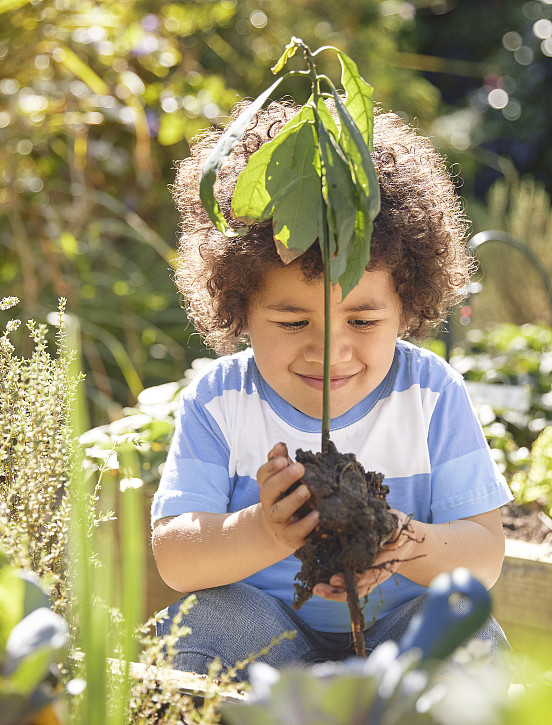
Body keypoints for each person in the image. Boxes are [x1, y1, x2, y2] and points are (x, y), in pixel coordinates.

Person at [150, 99, 513, 678]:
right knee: (207, 623)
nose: (330, 350)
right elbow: (176, 557)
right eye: (293, 323)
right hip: (268, 639)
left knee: (466, 626)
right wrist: (265, 530)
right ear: (239, 308)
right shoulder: (220, 400)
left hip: (398, 643)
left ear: (407, 307)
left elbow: (484, 557)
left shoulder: (430, 393)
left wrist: (395, 540)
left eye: (364, 323)